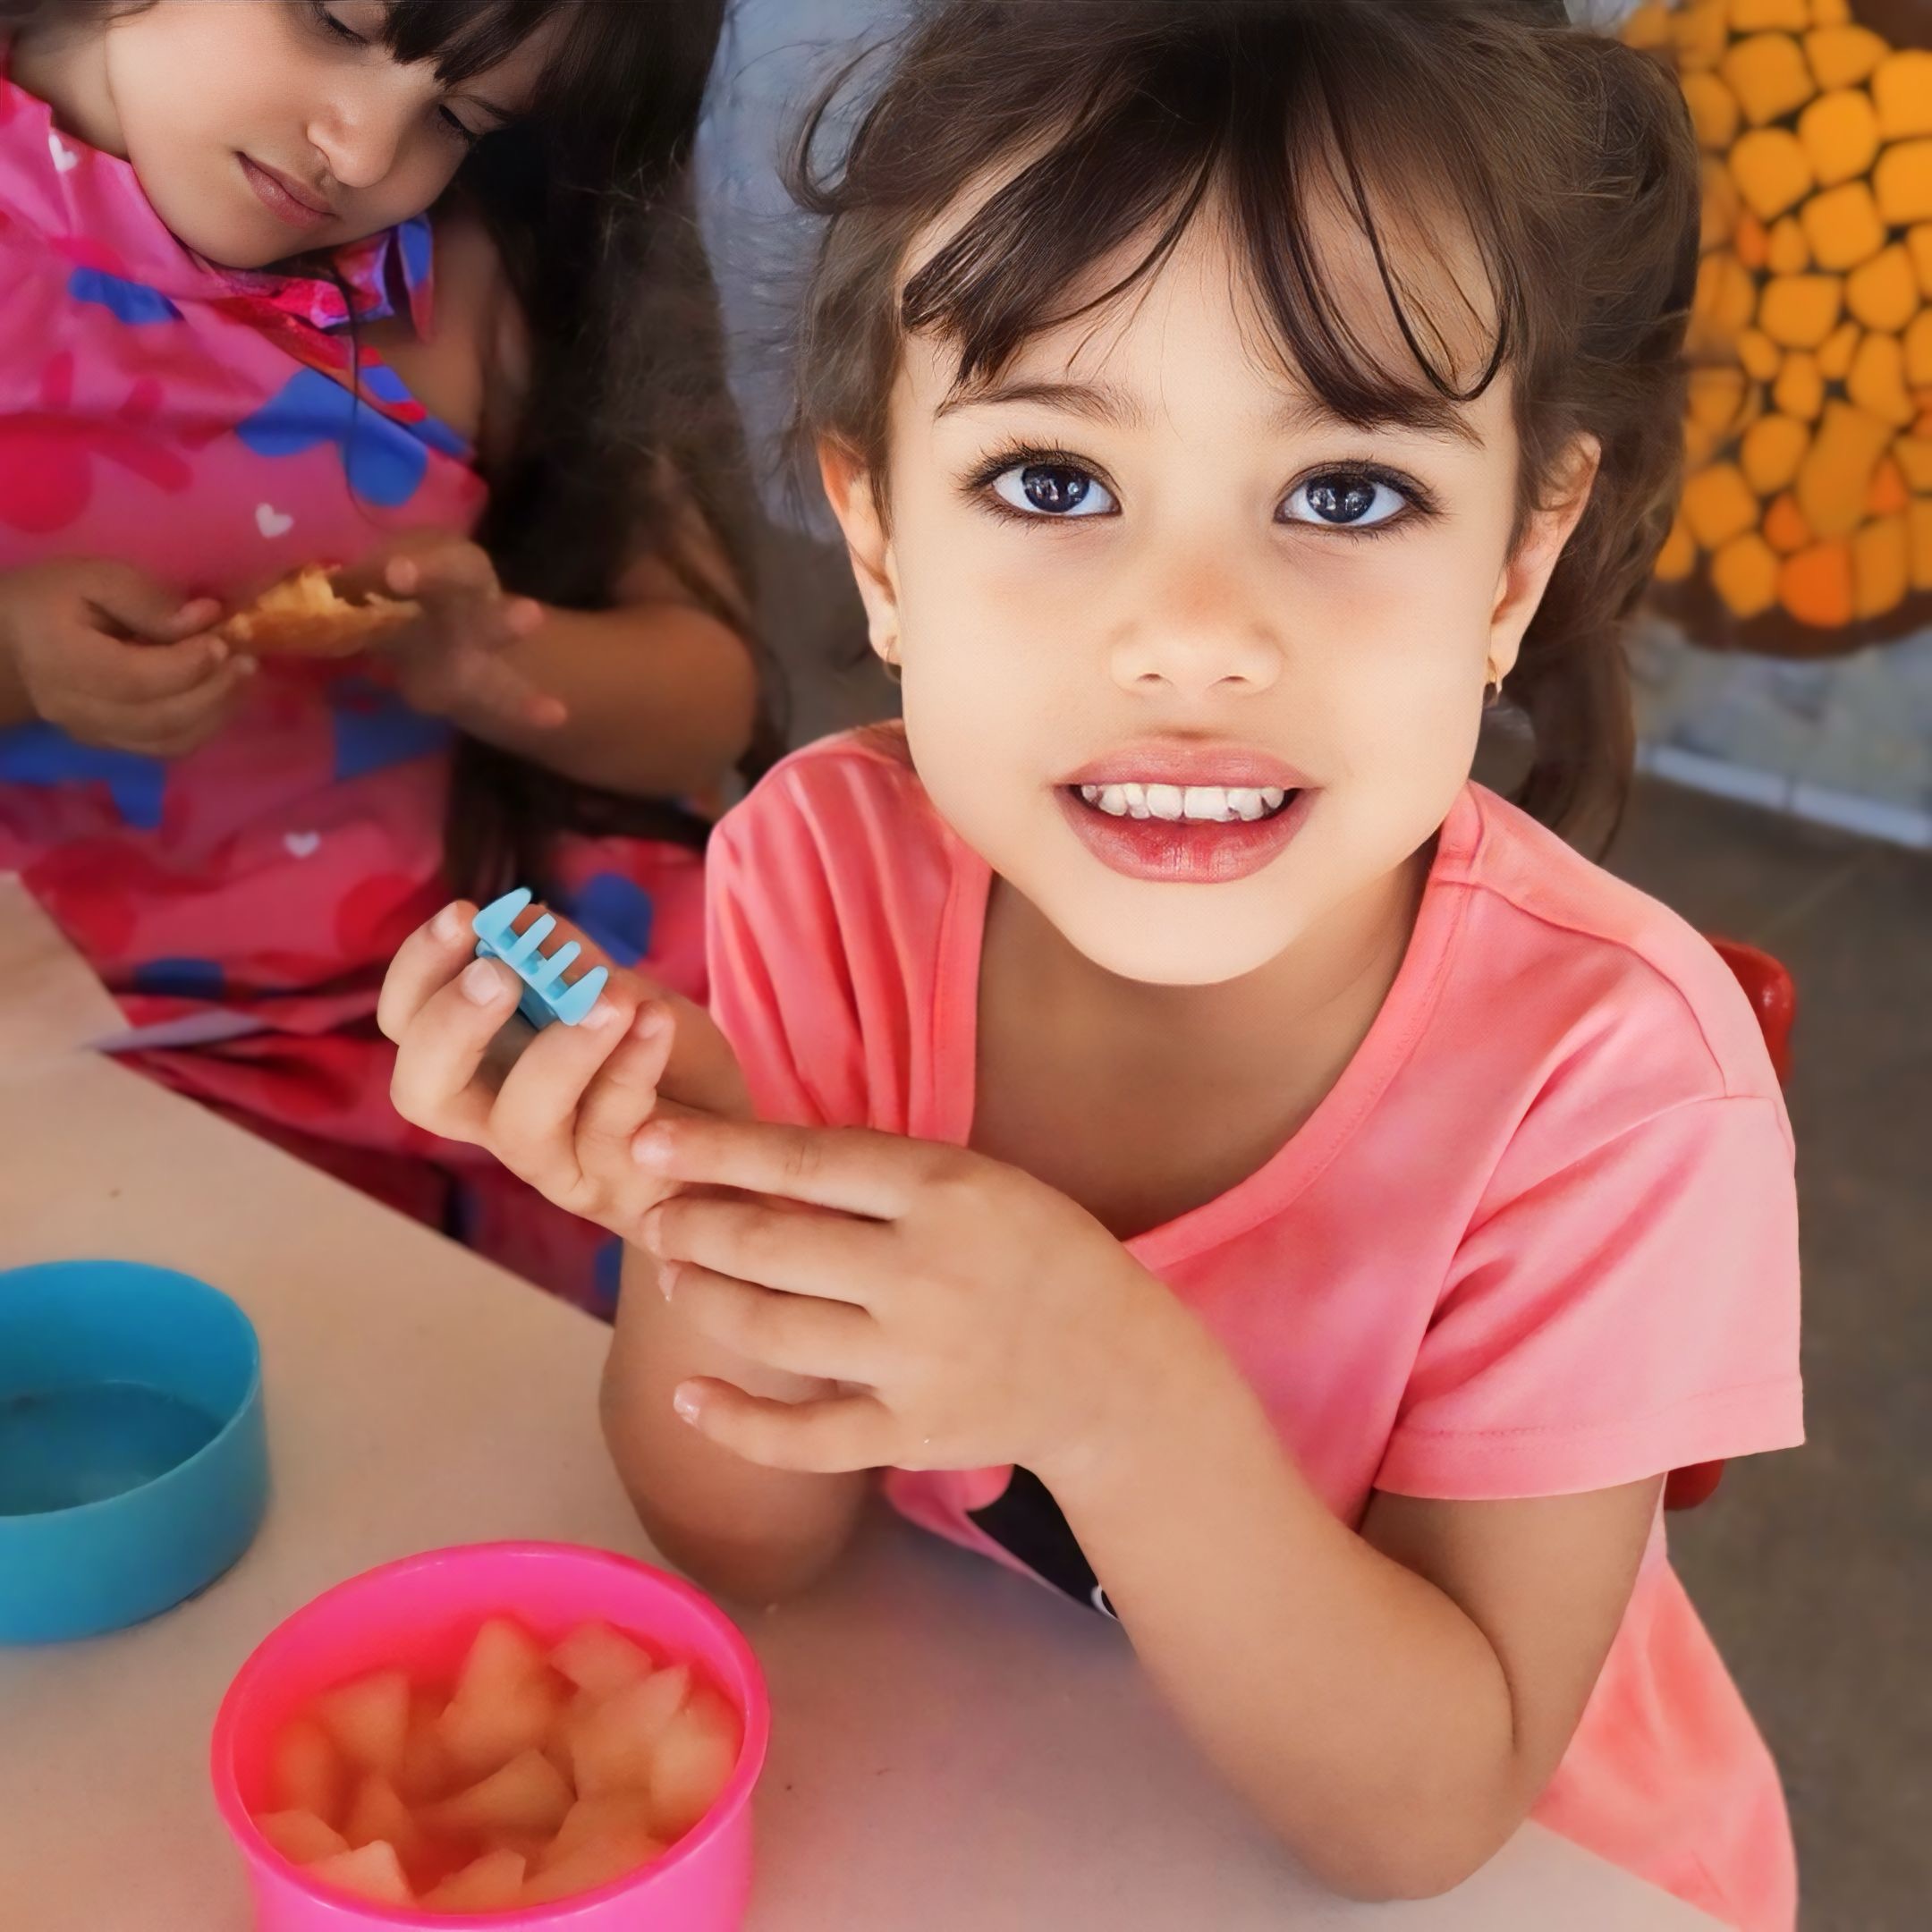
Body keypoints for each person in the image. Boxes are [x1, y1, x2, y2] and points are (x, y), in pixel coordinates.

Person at [376, 3, 1803, 1923]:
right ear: (878, 538)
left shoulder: (1613, 1088)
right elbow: (752, 1544)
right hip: (1028, 1783)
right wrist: (705, 1204)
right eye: (1053, 482)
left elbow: (1424, 1818)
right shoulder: (823, 872)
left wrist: (1113, 1391)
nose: (1188, 639)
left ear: (1517, 565)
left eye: (1349, 493)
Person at [0, 0, 765, 1305]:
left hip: (493, 969)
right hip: (105, 1059)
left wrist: (495, 671)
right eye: (337, 25)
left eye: (460, 118)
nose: (361, 151)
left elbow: (708, 699)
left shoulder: (465, 290)